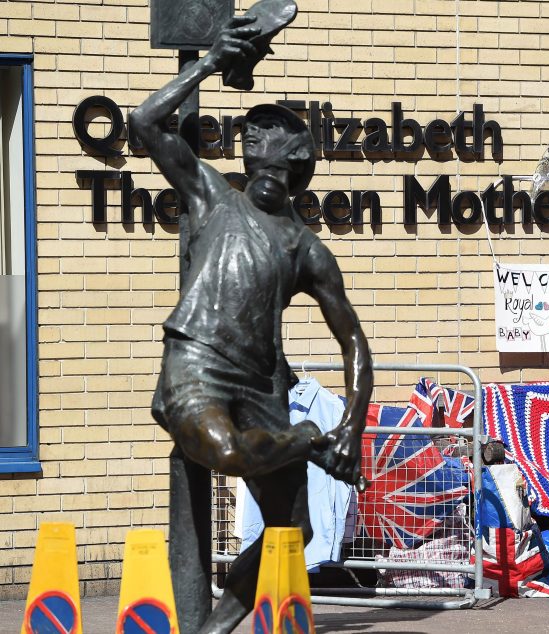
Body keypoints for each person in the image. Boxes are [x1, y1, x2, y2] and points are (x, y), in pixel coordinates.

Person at [129, 16, 373, 633]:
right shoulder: (211, 195)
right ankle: (307, 439)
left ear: (296, 163)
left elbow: (352, 340)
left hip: (263, 386)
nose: (256, 145)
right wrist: (211, 59)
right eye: (253, 138)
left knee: (294, 527)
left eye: (271, 140)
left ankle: (211, 631)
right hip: (198, 365)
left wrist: (355, 426)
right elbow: (143, 122)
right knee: (226, 453)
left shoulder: (306, 247)